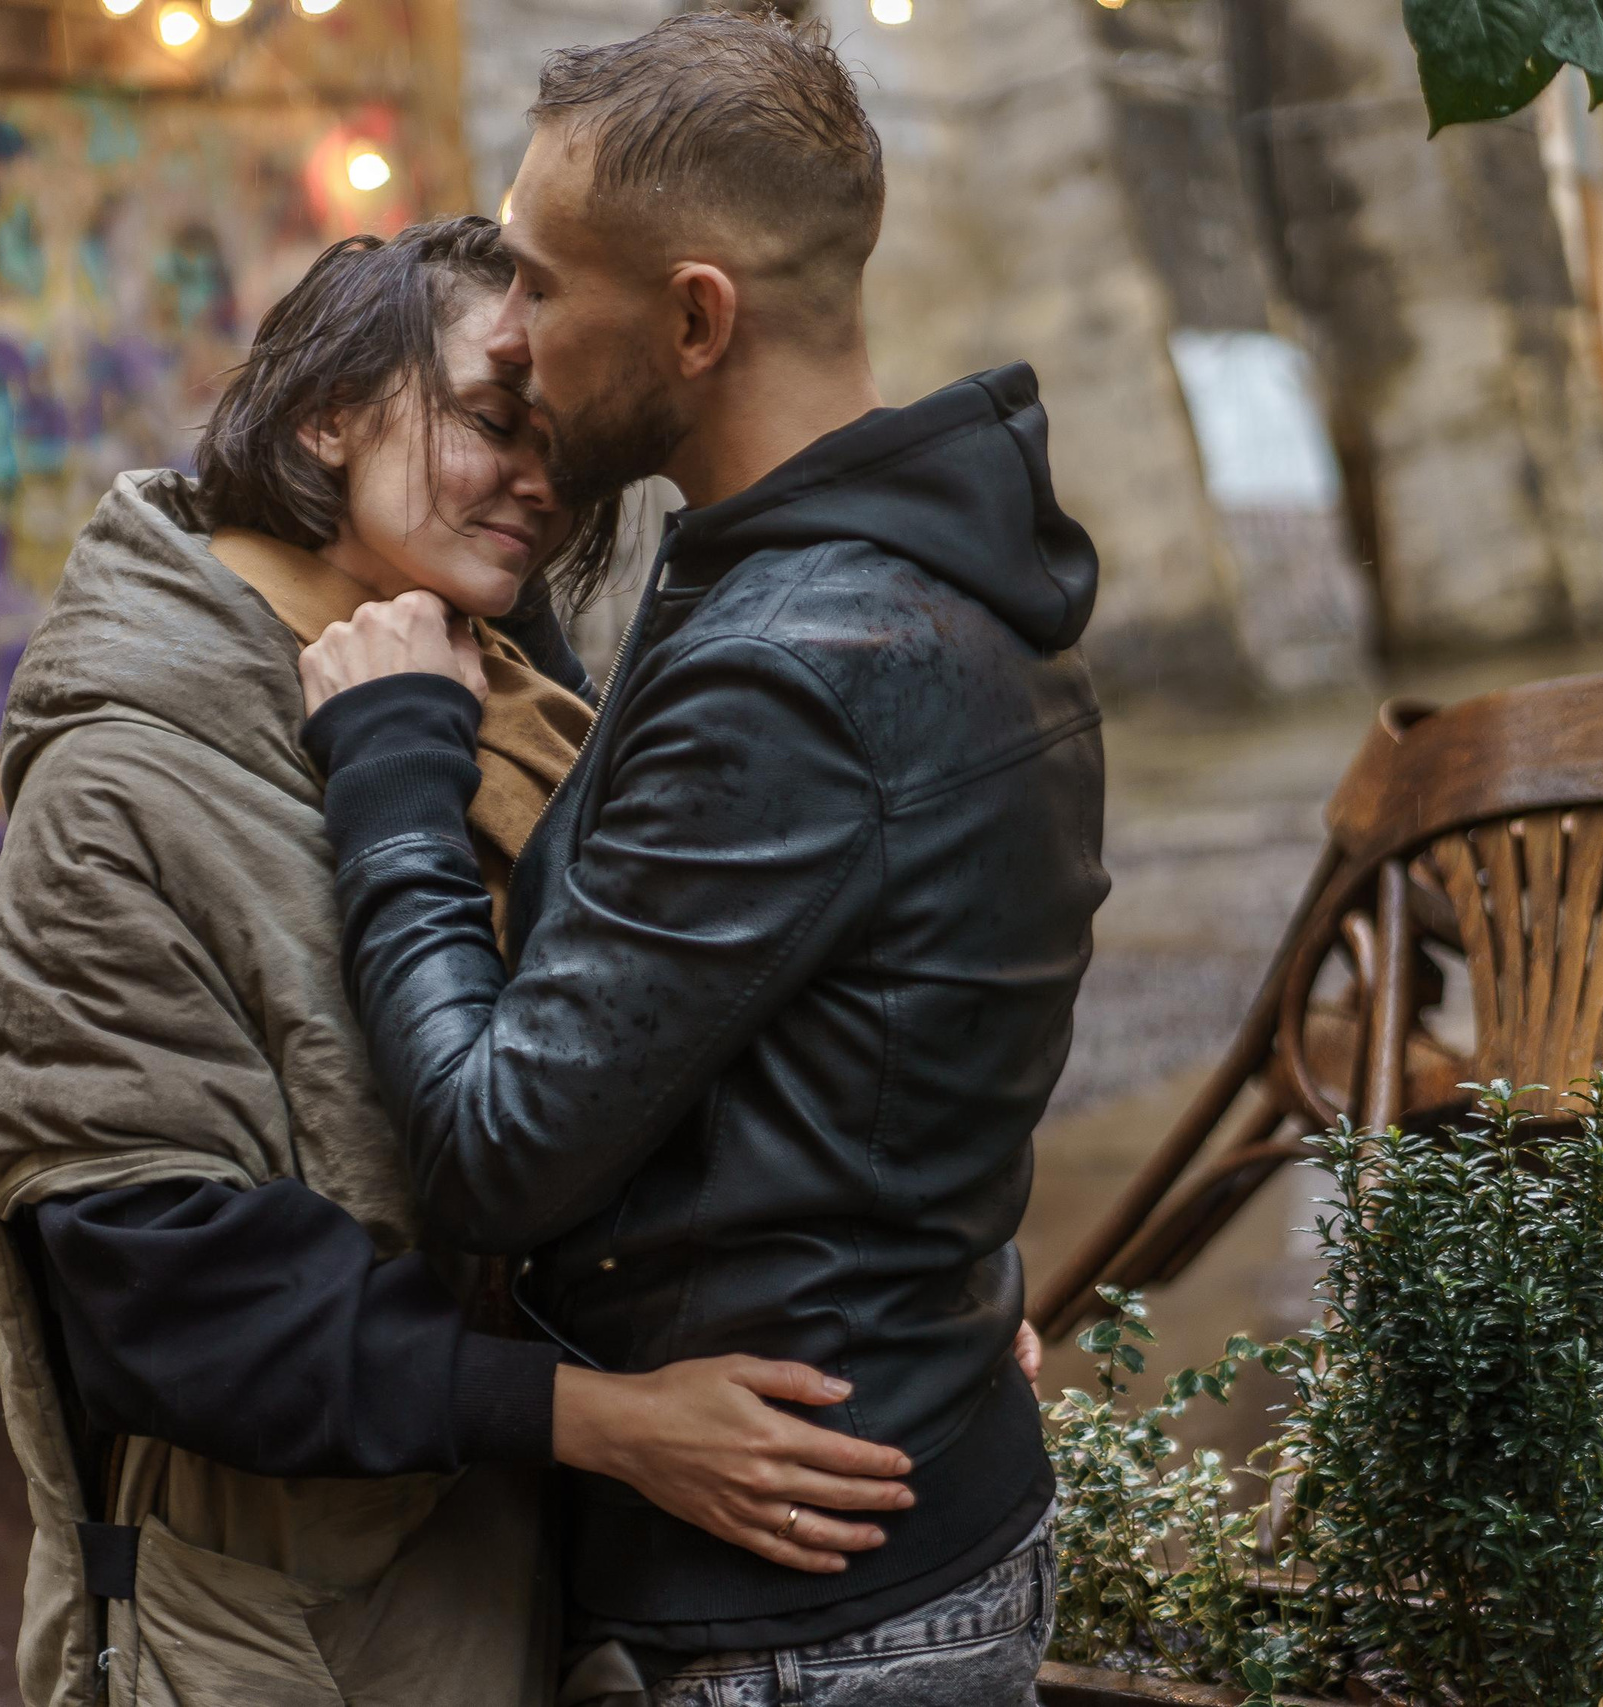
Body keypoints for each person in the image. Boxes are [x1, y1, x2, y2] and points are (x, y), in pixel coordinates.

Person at [0, 216, 925, 1707]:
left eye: (560, 443)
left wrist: (906, 1303)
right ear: (325, 409)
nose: (539, 479)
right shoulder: (124, 789)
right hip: (289, 1631)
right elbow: (165, 1301)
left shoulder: (511, 702)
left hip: (534, 1567)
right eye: (489, 420)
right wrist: (603, 1420)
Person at [296, 15, 1107, 1704]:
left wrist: (390, 774)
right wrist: (940, 1293)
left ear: (693, 318)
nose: (506, 340)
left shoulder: (790, 668)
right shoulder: (928, 579)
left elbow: (499, 1151)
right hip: (901, 1533)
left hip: (804, 1629)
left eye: (535, 285)